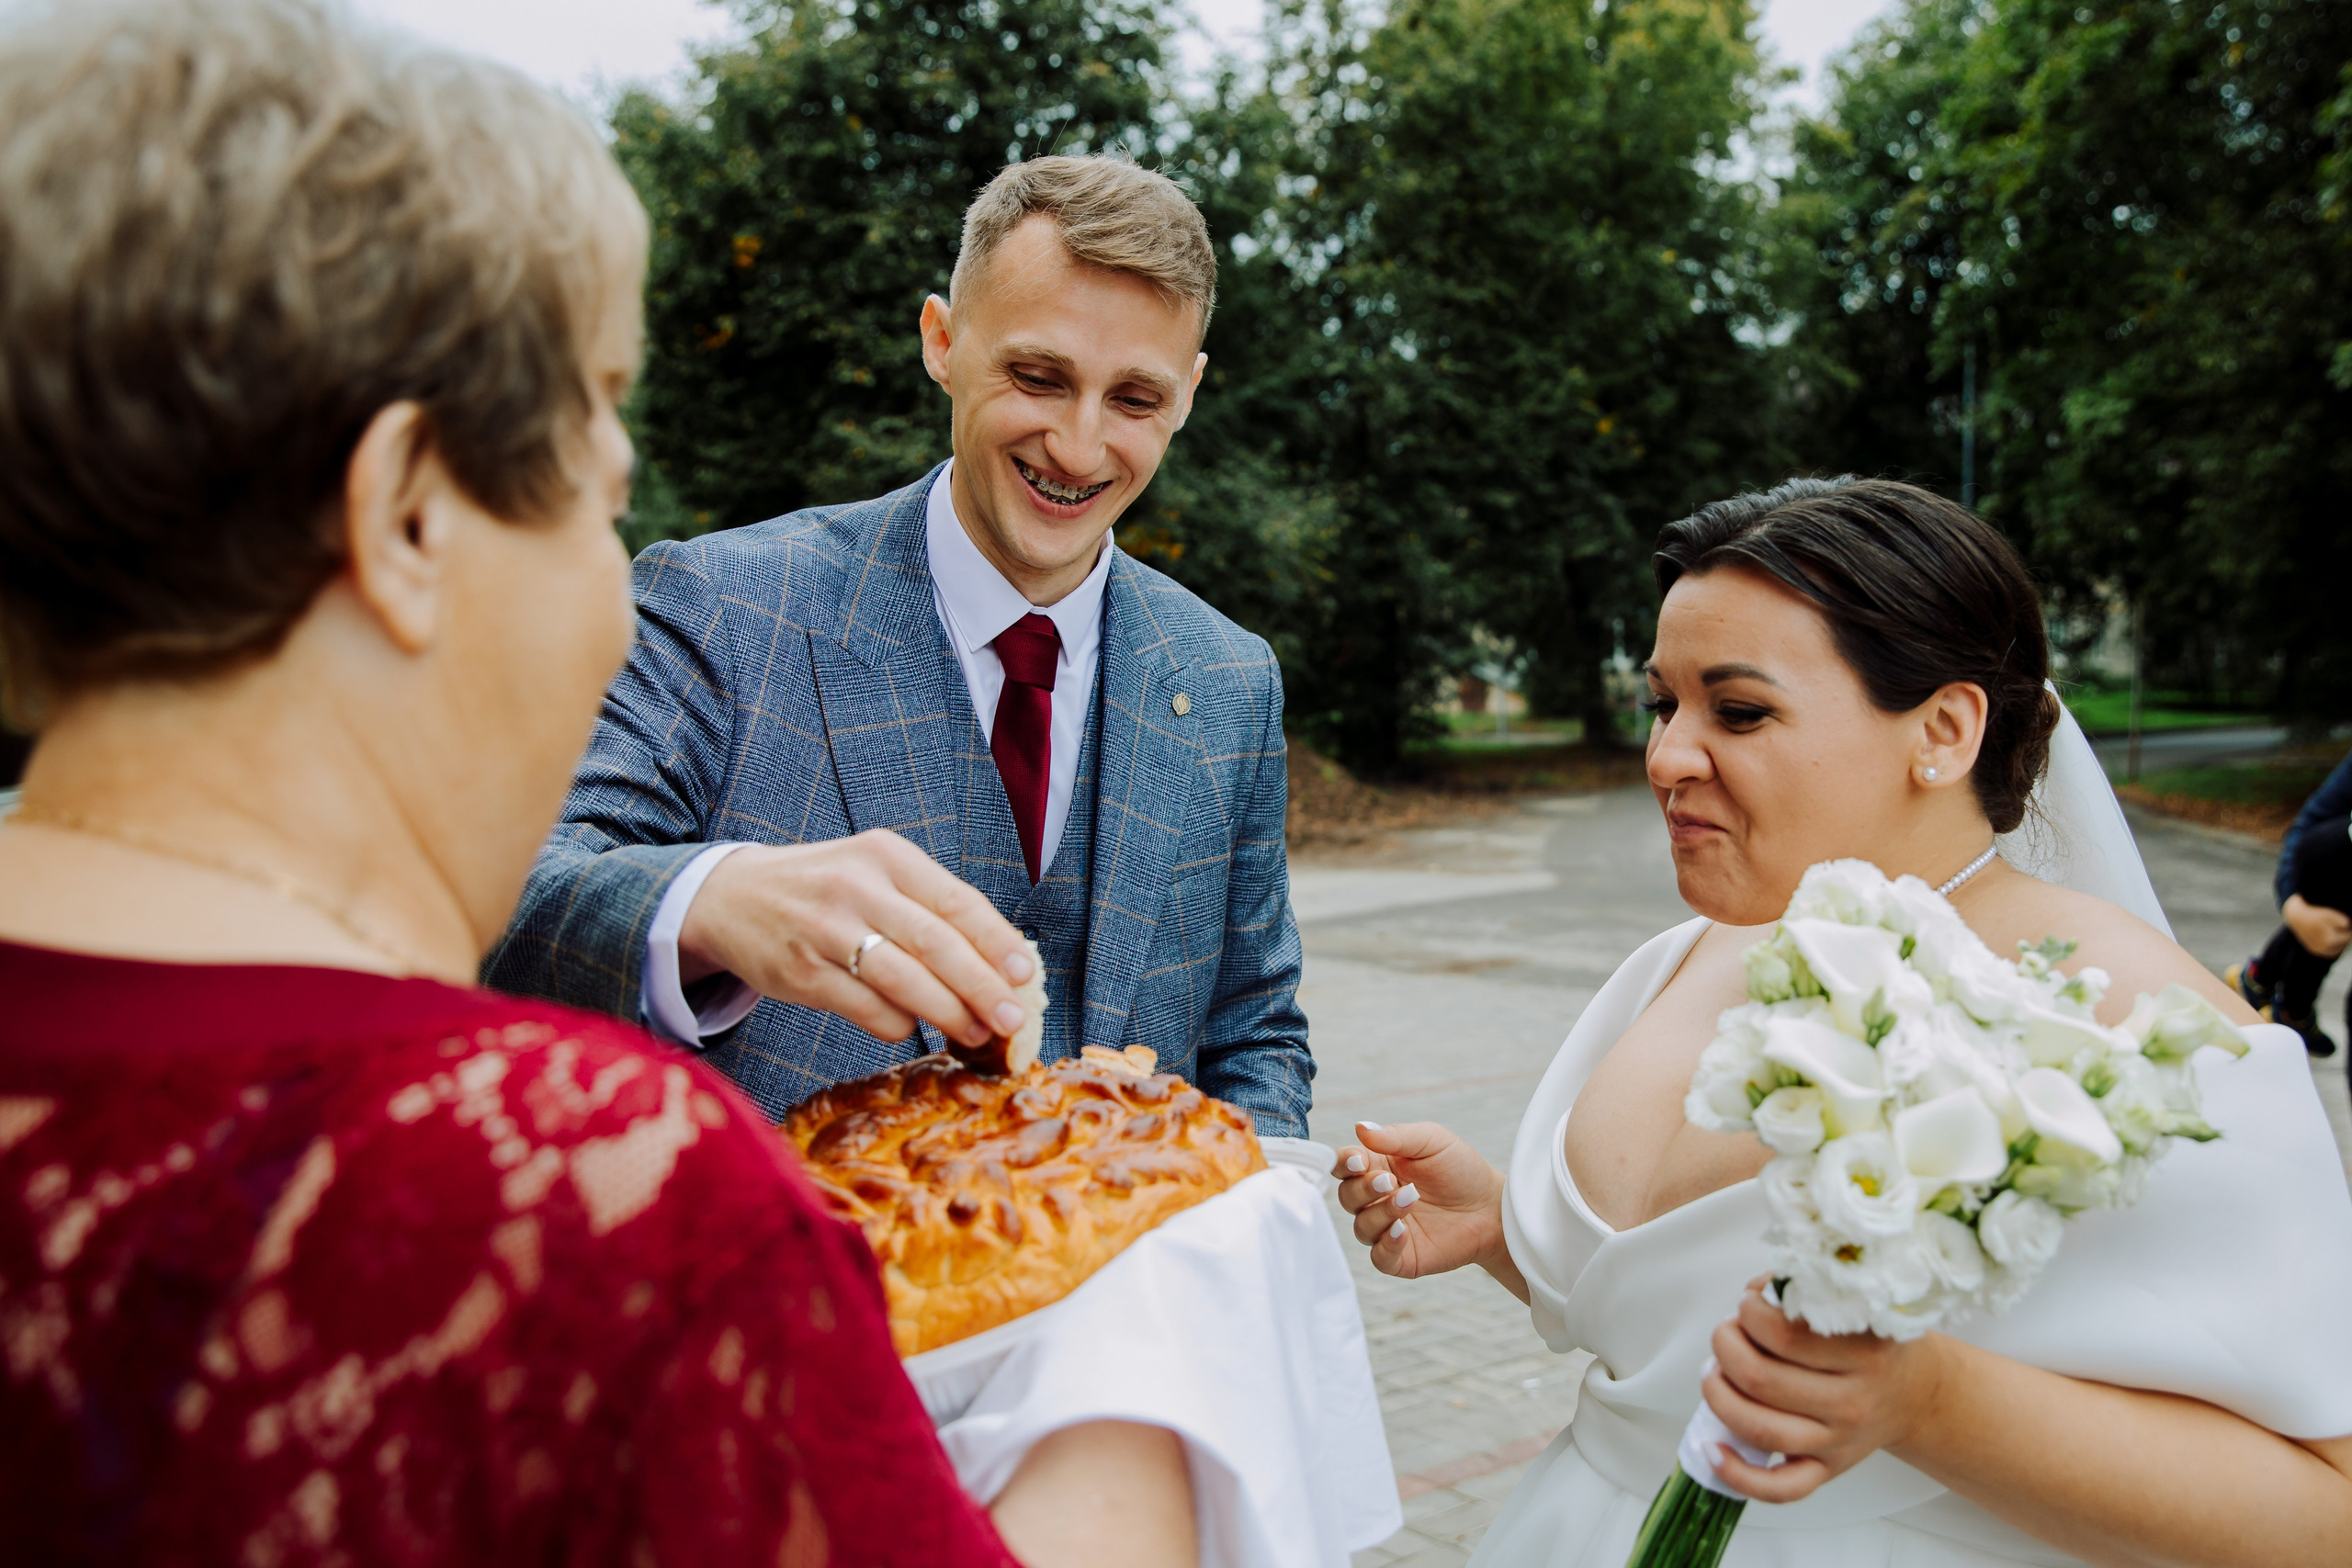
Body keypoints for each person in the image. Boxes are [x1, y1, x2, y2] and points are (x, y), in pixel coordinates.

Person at [0, 2, 1197, 1562]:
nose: (617, 593)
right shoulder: (611, 1198)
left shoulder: (1211, 665)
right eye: (595, 495)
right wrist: (1158, 1384)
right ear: (410, 514)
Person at [1329, 479, 2352, 1565]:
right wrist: (1499, 1228)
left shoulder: (2133, 1027)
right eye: (1660, 704)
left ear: (1944, 730)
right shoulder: (1680, 960)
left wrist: (1930, 1405)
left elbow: (2323, 1516)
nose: (1667, 756)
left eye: (1738, 711)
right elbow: (1676, 1340)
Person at [483, 155, 1314, 1134]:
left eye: (1135, 400)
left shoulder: (1229, 678)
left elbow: (1253, 1036)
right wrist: (711, 902)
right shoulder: (722, 605)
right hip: (787, 1271)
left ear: (1188, 394)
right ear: (942, 341)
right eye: (1038, 377)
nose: (1081, 448)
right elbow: (513, 904)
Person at [2228, 751, 2352, 1056]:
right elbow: (2311, 821)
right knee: (2332, 911)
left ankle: (2263, 979)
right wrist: (2294, 906)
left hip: (2330, 856)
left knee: (2336, 903)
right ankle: (2286, 1004)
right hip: (2328, 853)